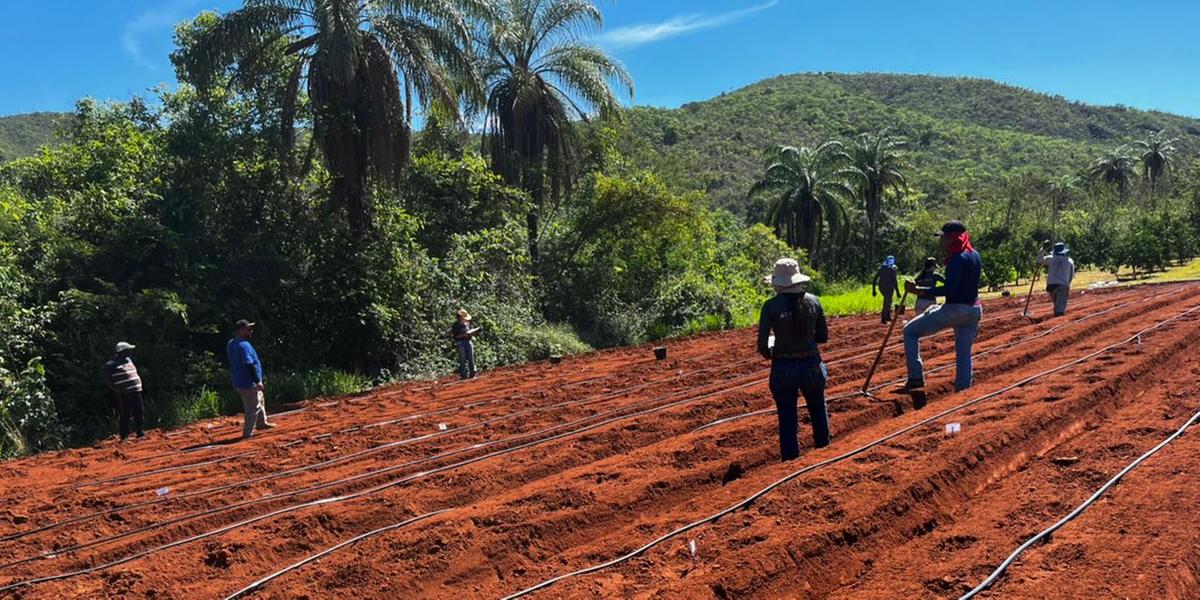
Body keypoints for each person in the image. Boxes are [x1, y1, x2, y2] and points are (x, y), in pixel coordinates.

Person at [757, 258, 831, 460]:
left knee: (787, 417)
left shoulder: (770, 306)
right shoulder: (814, 302)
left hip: (783, 367)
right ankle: (824, 454)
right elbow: (823, 337)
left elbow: (762, 347)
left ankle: (790, 460)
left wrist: (776, 349)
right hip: (811, 365)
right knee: (818, 410)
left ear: (778, 283)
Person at [902, 220, 983, 392]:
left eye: (945, 238)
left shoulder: (957, 258)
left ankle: (915, 377)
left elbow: (948, 288)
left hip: (955, 309)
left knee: (909, 331)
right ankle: (963, 390)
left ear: (954, 237)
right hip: (974, 309)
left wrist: (919, 291)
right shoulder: (974, 254)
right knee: (964, 353)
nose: (942, 241)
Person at [226, 319, 275, 439]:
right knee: (253, 407)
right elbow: (249, 364)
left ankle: (262, 423)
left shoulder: (231, 343)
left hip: (239, 380)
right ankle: (247, 433)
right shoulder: (244, 345)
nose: (250, 331)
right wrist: (257, 381)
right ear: (241, 330)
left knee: (260, 400)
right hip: (248, 382)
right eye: (248, 329)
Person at [102, 342, 145, 440]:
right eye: (128, 350)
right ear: (122, 351)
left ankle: (140, 433)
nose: (130, 352)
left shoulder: (129, 360)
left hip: (136, 390)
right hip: (125, 393)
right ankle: (124, 435)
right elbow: (105, 378)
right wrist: (114, 388)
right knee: (126, 413)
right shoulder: (111, 364)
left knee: (139, 411)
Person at [1040, 241, 1077, 316]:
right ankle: (1058, 317)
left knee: (1056, 304)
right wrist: (1068, 284)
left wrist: (1042, 249)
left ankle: (1056, 314)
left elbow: (1039, 259)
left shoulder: (1050, 258)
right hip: (1063, 285)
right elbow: (1071, 275)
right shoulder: (1070, 261)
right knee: (1060, 308)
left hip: (1051, 285)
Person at [451, 309, 479, 379]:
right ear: (460, 318)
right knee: (462, 359)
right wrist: (464, 335)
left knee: (471, 358)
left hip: (468, 341)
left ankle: (473, 374)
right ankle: (463, 375)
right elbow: (455, 336)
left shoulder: (468, 323)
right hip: (460, 343)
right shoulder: (455, 325)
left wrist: (471, 333)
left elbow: (471, 331)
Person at [872, 256, 899, 323]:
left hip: (881, 287)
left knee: (888, 301)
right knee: (887, 302)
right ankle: (883, 318)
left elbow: (875, 279)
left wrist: (874, 290)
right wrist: (897, 292)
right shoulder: (893, 268)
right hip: (889, 287)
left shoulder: (881, 268)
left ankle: (887, 316)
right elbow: (894, 281)